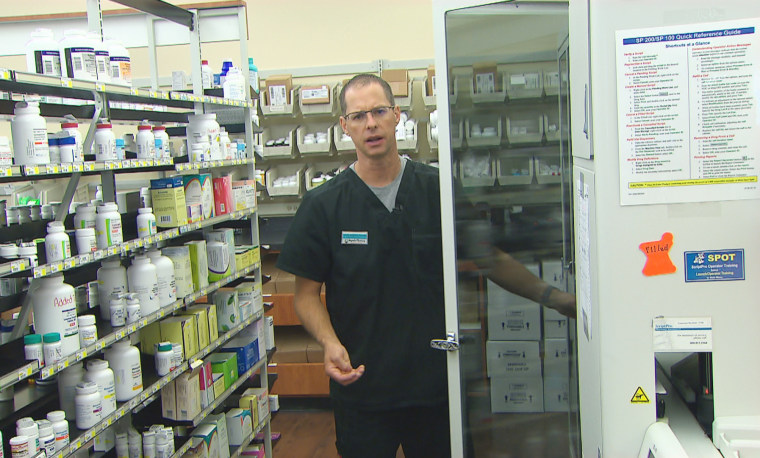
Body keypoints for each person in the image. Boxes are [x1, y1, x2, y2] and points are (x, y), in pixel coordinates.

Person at [275, 74, 575, 458]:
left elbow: (489, 257)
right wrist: (329, 343)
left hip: (434, 386)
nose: (371, 124)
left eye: (379, 111)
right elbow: (305, 295)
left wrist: (554, 297)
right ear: (345, 126)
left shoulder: (436, 190)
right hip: (363, 386)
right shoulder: (323, 206)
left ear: (397, 116)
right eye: (359, 115)